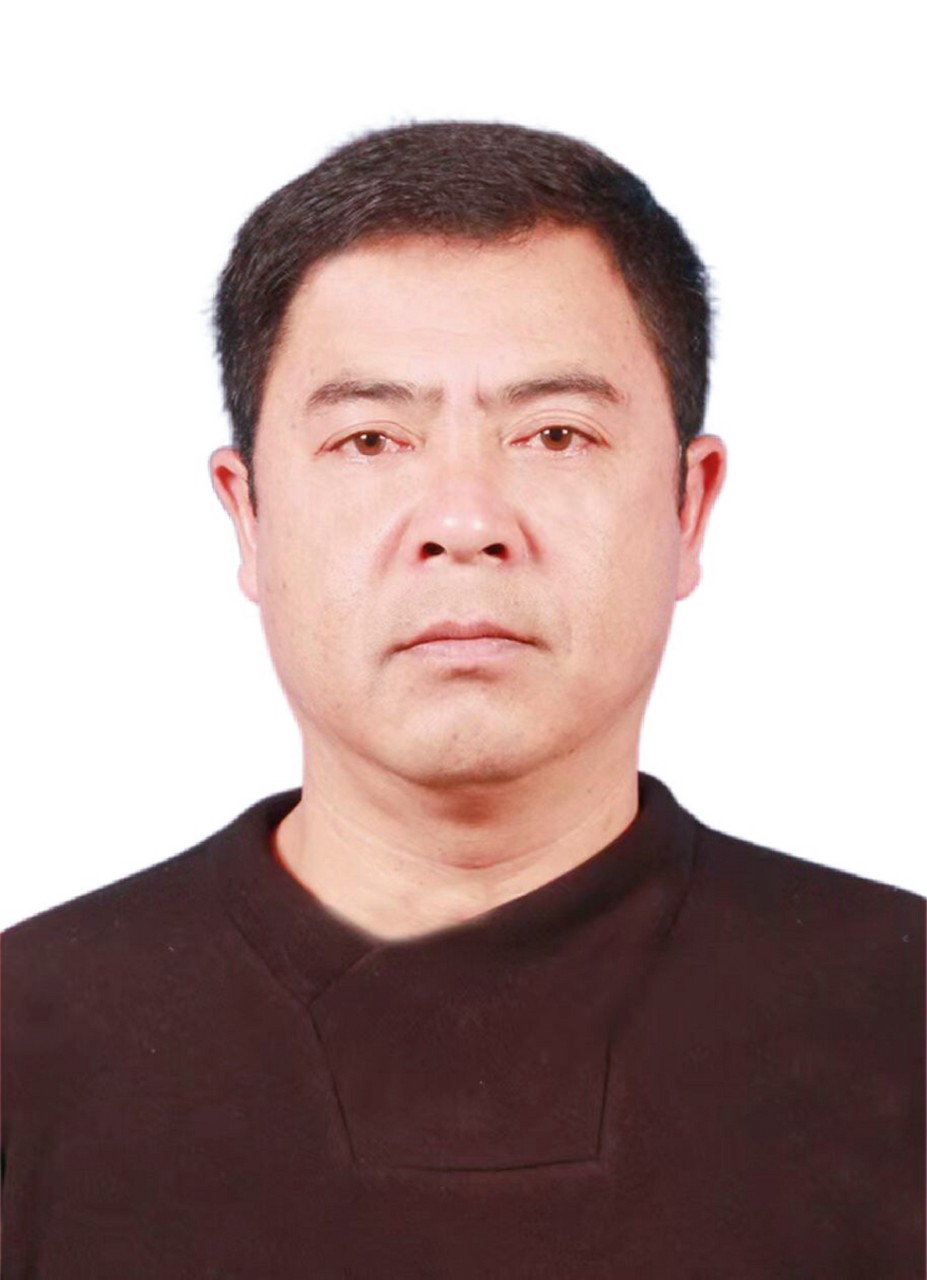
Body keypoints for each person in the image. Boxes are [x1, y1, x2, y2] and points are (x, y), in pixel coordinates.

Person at [2, 122, 923, 1278]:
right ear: (248, 515)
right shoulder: (27, 1044)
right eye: (370, 438)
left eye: (554, 433)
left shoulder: (900, 1015)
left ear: (689, 506)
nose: (464, 519)